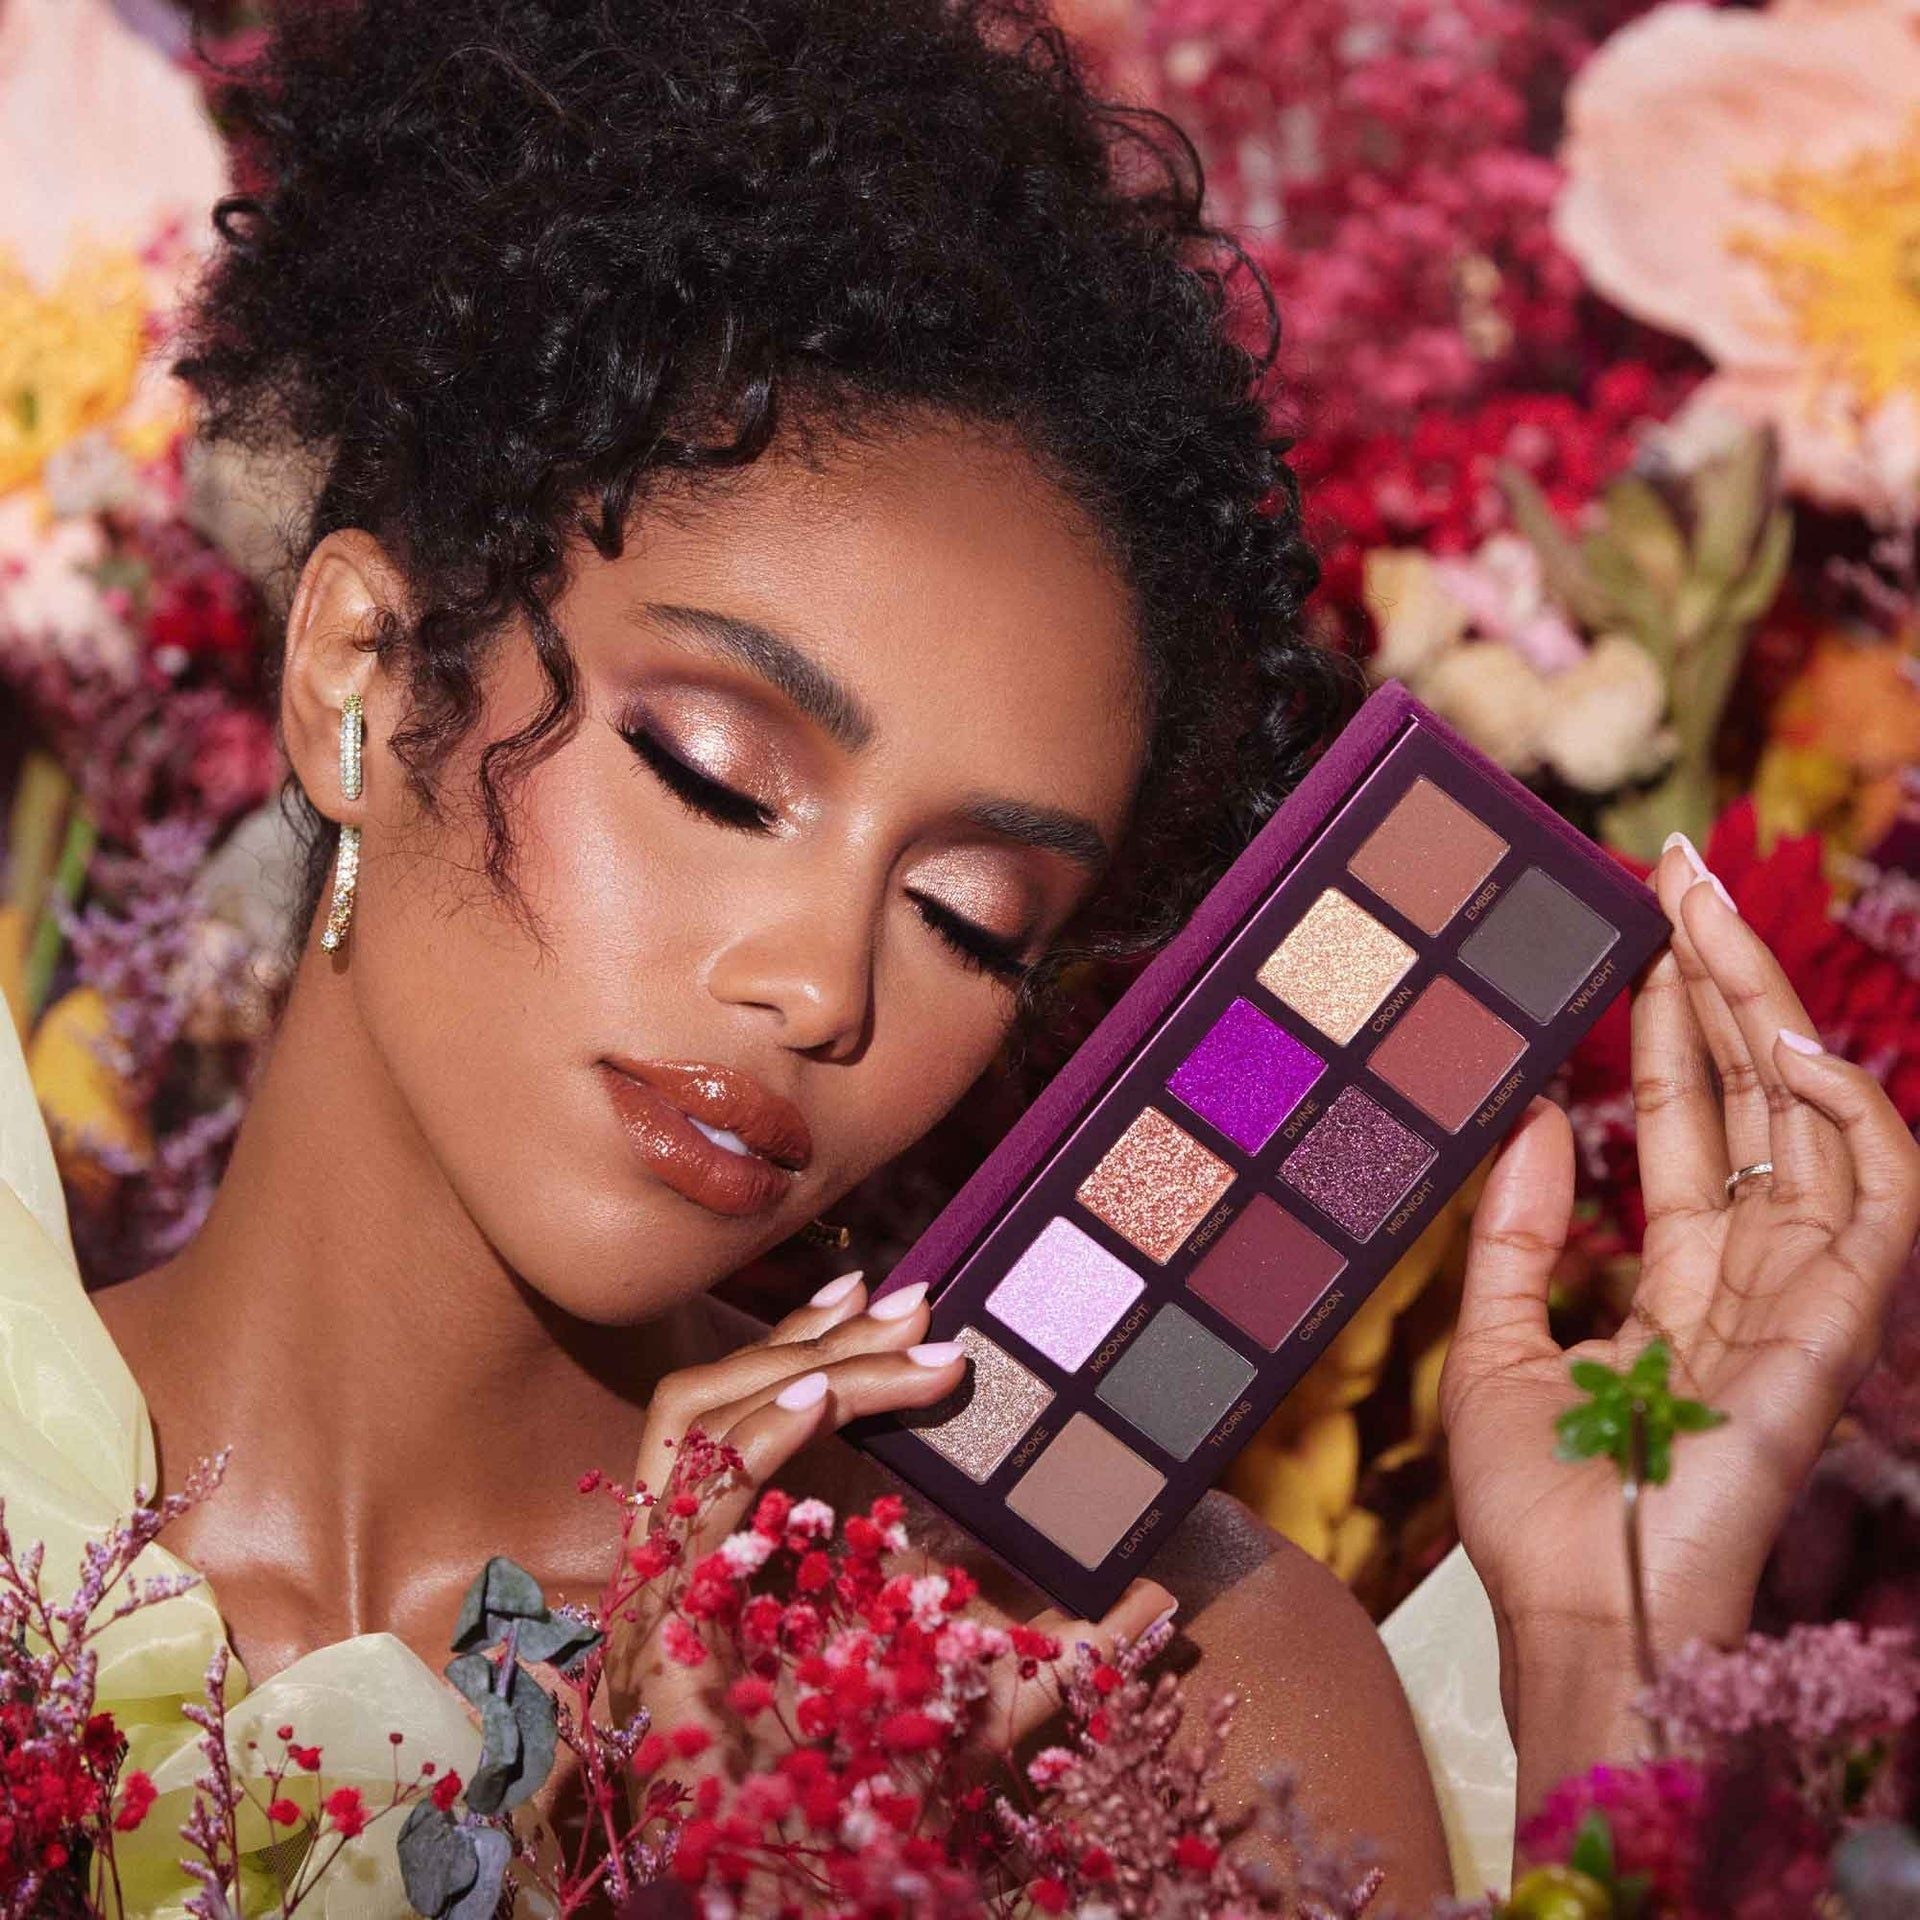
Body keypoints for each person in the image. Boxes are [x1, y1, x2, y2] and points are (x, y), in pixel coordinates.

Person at [4, 0, 1911, 1911]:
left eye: (970, 919)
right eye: (716, 774)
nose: (825, 988)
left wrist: (1607, 1655)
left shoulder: (1142, 1696)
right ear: (358, 672)